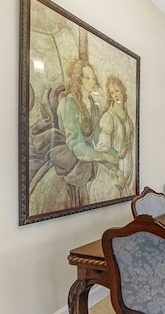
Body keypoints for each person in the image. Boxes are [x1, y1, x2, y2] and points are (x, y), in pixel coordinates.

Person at [29, 58, 117, 214]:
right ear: (79, 79)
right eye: (88, 77)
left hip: (88, 160)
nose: (93, 81)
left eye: (93, 77)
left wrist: (114, 157)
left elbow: (97, 140)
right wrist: (103, 156)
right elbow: (76, 145)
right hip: (70, 164)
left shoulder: (93, 106)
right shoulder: (68, 104)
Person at [90, 75, 135, 201]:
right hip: (110, 178)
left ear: (122, 90)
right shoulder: (108, 118)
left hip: (125, 179)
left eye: (117, 90)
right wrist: (117, 171)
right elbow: (102, 151)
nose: (115, 94)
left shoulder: (128, 118)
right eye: (112, 92)